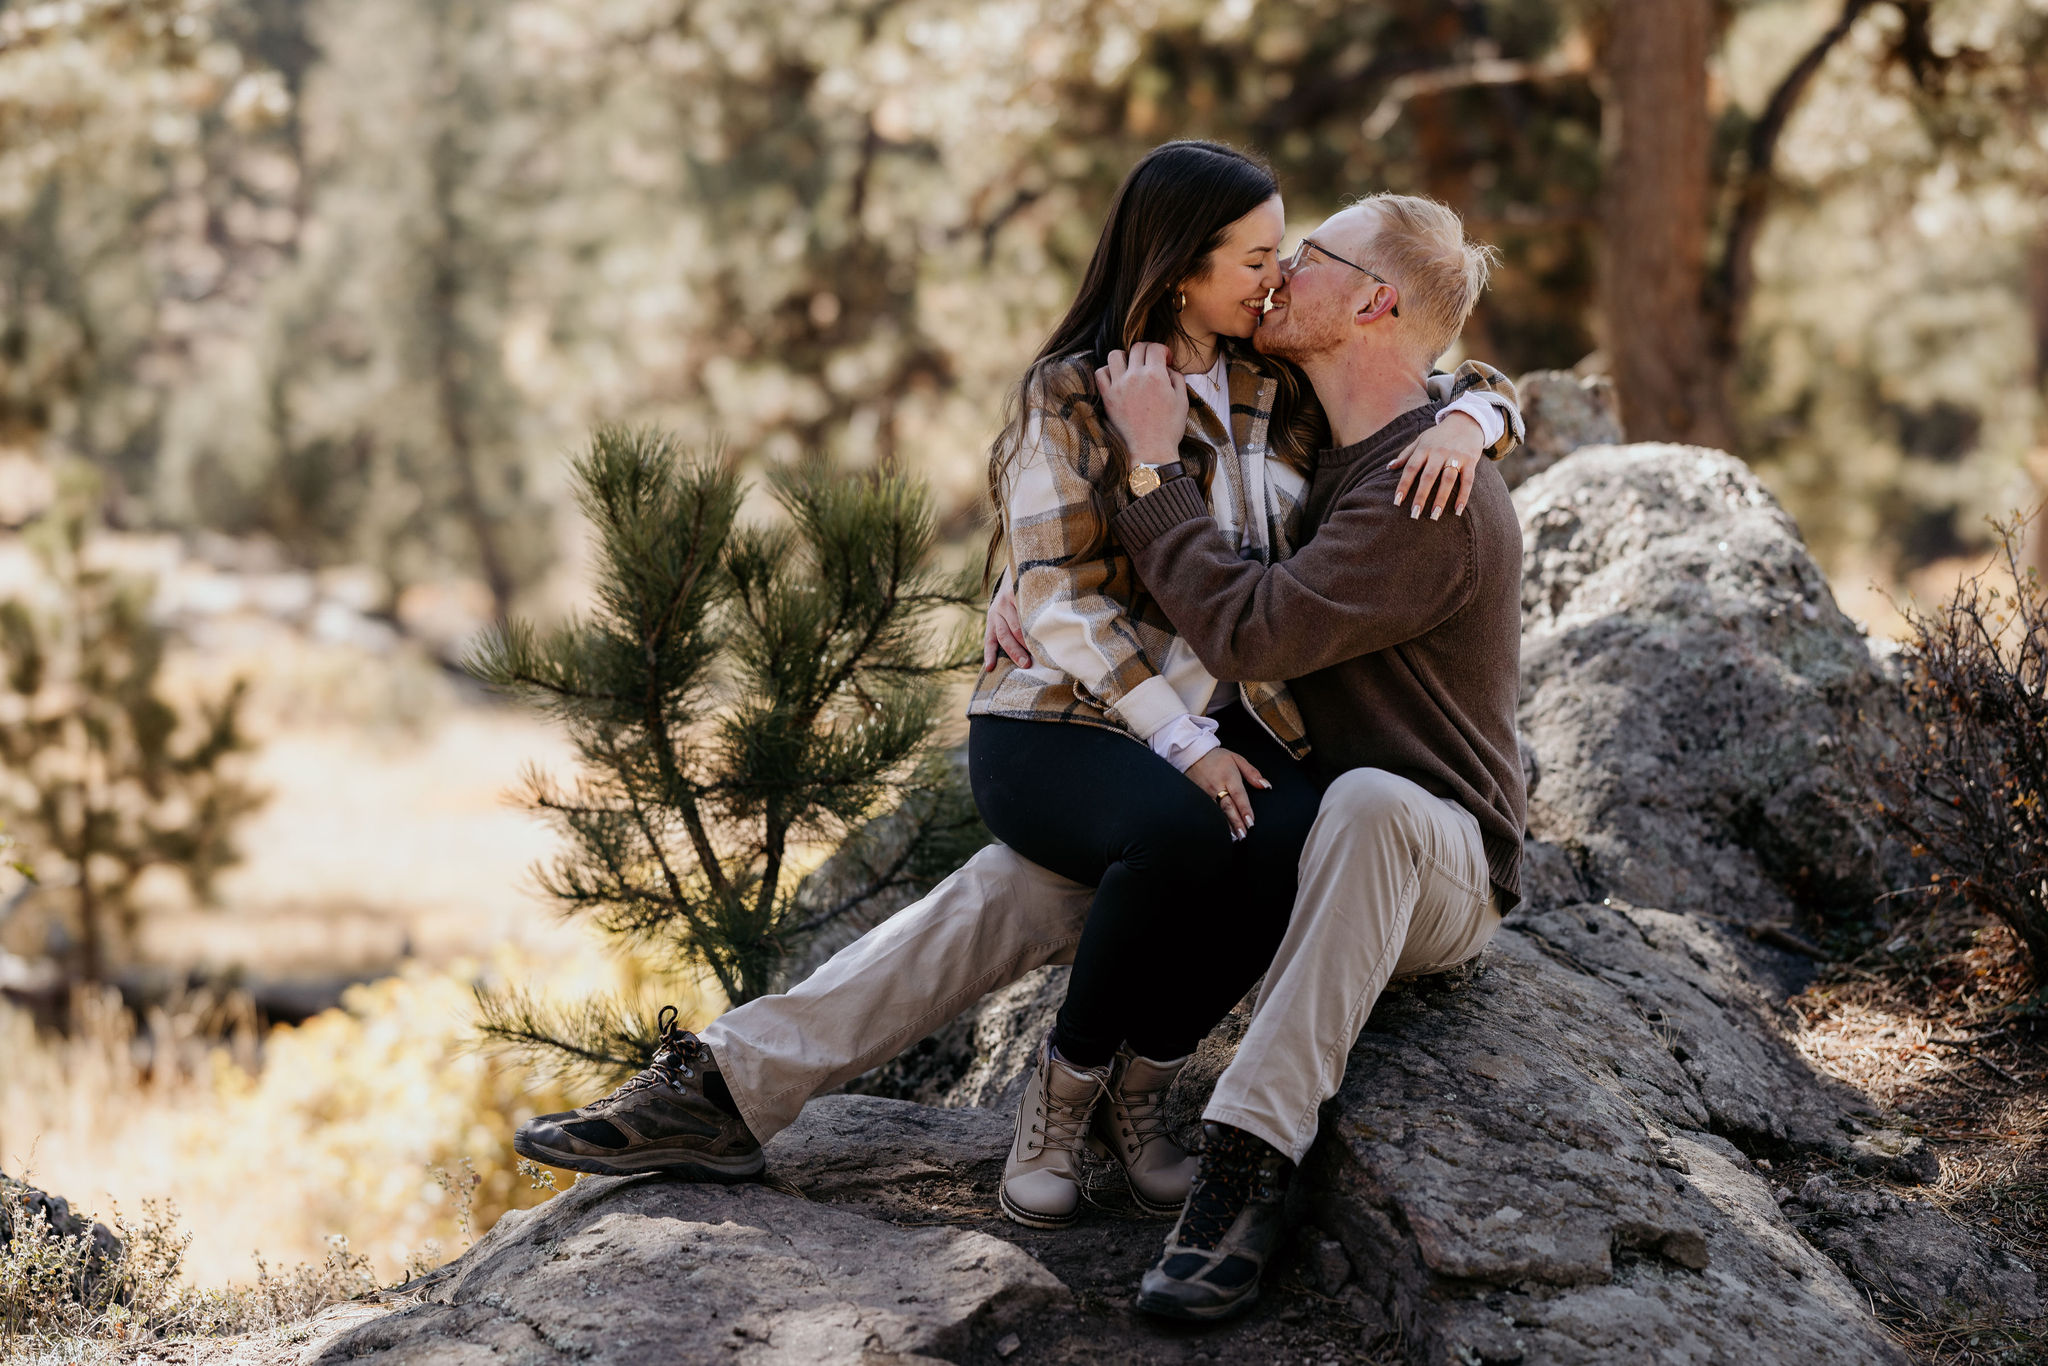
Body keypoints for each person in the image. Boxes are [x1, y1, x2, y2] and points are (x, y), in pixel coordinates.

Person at [512, 157, 1523, 1321]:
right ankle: (732, 1084)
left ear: (1368, 303)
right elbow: (1435, 369)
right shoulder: (1318, 409)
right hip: (1294, 822)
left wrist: (1161, 476)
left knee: (1362, 806)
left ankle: (1248, 1159)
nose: (1283, 271)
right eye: (1268, 253)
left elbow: (1254, 630)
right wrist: (1031, 585)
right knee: (1022, 883)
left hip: (1429, 858)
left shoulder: (1418, 485)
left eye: (1311, 258)